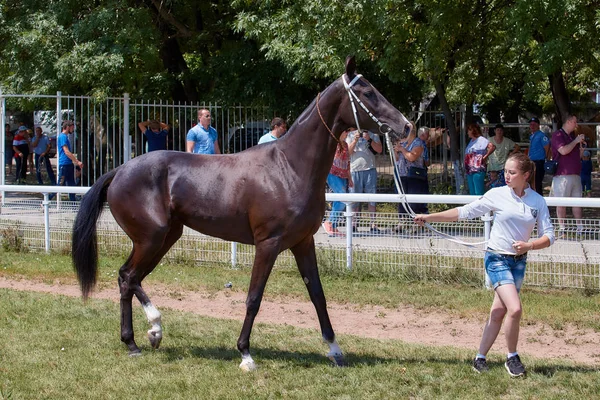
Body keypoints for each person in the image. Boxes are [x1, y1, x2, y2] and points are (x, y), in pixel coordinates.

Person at [414, 152, 555, 377]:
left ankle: (480, 358)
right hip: (497, 258)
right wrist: (429, 217)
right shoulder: (497, 195)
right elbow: (464, 212)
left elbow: (549, 235)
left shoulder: (537, 201)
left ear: (526, 175)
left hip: (519, 262)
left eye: (512, 172)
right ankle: (512, 357)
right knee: (515, 308)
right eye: (505, 172)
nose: (506, 176)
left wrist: (530, 245)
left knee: (498, 311)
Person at [550, 114, 585, 236]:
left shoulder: (572, 136)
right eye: (575, 122)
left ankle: (580, 227)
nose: (576, 125)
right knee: (561, 202)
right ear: (569, 122)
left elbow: (576, 156)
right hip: (562, 174)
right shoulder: (557, 135)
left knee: (577, 202)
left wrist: (580, 150)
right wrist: (575, 141)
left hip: (575, 173)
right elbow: (563, 151)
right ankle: (562, 227)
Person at [346, 128, 383, 234]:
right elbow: (348, 153)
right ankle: (354, 224)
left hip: (370, 170)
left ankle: (373, 224)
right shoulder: (350, 134)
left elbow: (379, 150)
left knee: (372, 198)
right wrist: (355, 140)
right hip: (355, 170)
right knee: (354, 198)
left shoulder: (373, 133)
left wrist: (370, 139)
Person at [322, 128, 353, 236]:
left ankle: (333, 226)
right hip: (332, 174)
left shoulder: (345, 145)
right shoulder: (333, 143)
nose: (347, 133)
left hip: (343, 175)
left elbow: (347, 163)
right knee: (342, 198)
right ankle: (329, 222)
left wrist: (350, 178)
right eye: (346, 131)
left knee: (340, 200)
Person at [394, 125, 429, 219]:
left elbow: (412, 157)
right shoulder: (403, 143)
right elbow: (396, 159)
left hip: (414, 176)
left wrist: (401, 149)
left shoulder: (418, 143)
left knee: (414, 201)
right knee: (402, 199)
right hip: (402, 174)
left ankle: (416, 221)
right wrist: (396, 151)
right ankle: (402, 221)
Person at [464, 123, 495, 195]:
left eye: (469, 130)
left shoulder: (481, 140)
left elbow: (492, 147)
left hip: (478, 169)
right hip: (470, 170)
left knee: (478, 191)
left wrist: (485, 156)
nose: (467, 132)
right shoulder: (471, 141)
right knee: (472, 191)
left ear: (473, 130)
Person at [57, 121, 84, 201]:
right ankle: (47, 198)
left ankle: (73, 204)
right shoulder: (63, 137)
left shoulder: (65, 137)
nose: (73, 129)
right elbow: (66, 151)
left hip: (68, 164)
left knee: (71, 185)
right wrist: (77, 161)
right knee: (60, 185)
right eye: (72, 127)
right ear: (68, 127)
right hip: (64, 164)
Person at [528, 117, 551, 196]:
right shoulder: (532, 136)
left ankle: (539, 200)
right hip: (532, 162)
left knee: (537, 182)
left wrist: (547, 160)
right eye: (531, 124)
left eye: (534, 124)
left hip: (539, 162)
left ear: (538, 125)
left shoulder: (541, 136)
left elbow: (547, 148)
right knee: (532, 182)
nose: (532, 126)